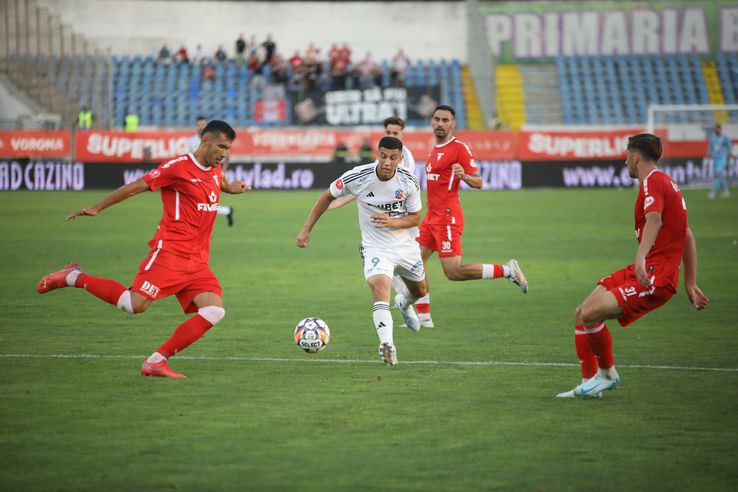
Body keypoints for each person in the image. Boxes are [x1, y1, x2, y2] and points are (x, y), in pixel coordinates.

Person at [36, 120, 251, 378]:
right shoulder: (177, 168)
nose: (224, 153)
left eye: (228, 148)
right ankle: (73, 276)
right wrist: (97, 207)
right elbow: (138, 185)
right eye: (221, 146)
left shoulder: (215, 169)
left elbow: (220, 183)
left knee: (214, 310)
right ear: (205, 141)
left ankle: (156, 361)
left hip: (197, 261)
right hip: (170, 254)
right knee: (133, 304)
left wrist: (233, 188)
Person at [557, 133, 709, 399]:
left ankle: (607, 375)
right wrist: (690, 282)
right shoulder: (666, 182)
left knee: (591, 311)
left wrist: (641, 256)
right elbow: (686, 235)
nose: (625, 160)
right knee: (583, 311)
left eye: (627, 154)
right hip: (648, 267)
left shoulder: (652, 181)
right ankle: (590, 385)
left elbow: (654, 220)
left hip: (655, 276)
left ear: (636, 157)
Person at [297, 137, 427, 365]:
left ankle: (404, 304)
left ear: (400, 159)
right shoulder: (358, 176)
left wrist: (392, 222)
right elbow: (326, 195)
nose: (387, 162)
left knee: (419, 291)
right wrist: (306, 229)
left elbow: (416, 217)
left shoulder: (409, 181)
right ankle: (387, 344)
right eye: (383, 156)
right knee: (380, 287)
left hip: (405, 246)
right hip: (375, 247)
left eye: (393, 158)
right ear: (377, 155)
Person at [414, 105, 527, 328]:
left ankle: (507, 270)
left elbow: (479, 181)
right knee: (414, 263)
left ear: (452, 124)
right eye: (437, 119)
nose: (440, 123)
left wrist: (464, 175)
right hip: (431, 218)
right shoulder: (434, 149)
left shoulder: (459, 149)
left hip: (447, 218)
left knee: (453, 272)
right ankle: (424, 317)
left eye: (445, 120)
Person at [189, 116, 235, 226]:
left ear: (206, 126)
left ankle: (225, 212)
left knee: (204, 204)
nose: (200, 127)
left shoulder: (215, 140)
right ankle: (227, 211)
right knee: (202, 204)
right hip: (196, 175)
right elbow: (190, 158)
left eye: (202, 124)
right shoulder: (191, 141)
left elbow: (227, 156)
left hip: (210, 175)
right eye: (199, 125)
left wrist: (222, 172)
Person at [707, 123, 733, 199]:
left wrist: (731, 157)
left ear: (721, 129)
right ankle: (726, 191)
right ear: (715, 129)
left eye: (719, 128)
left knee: (717, 175)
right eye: (716, 128)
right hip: (715, 160)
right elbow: (710, 149)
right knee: (720, 176)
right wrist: (708, 156)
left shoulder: (724, 138)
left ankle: (712, 192)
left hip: (722, 159)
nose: (717, 130)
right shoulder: (712, 138)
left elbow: (729, 147)